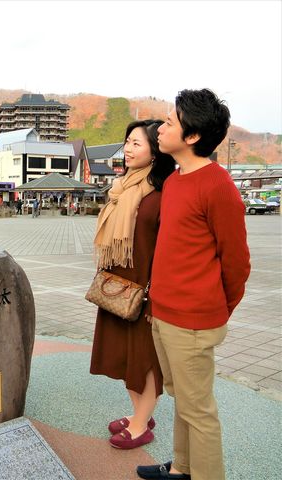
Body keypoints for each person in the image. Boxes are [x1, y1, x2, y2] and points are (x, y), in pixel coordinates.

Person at [137, 89, 250, 480]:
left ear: (192, 137)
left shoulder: (217, 186)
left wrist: (213, 310)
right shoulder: (176, 180)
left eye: (169, 122)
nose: (161, 127)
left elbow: (237, 263)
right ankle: (182, 468)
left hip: (193, 320)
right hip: (165, 313)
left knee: (198, 411)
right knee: (182, 400)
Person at [90, 120, 176, 450]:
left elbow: (168, 248)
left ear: (156, 151)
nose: (127, 149)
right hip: (117, 286)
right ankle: (139, 412)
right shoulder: (122, 187)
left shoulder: (162, 194)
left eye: (136, 144)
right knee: (125, 358)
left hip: (146, 290)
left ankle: (141, 424)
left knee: (144, 360)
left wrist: (158, 295)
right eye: (126, 142)